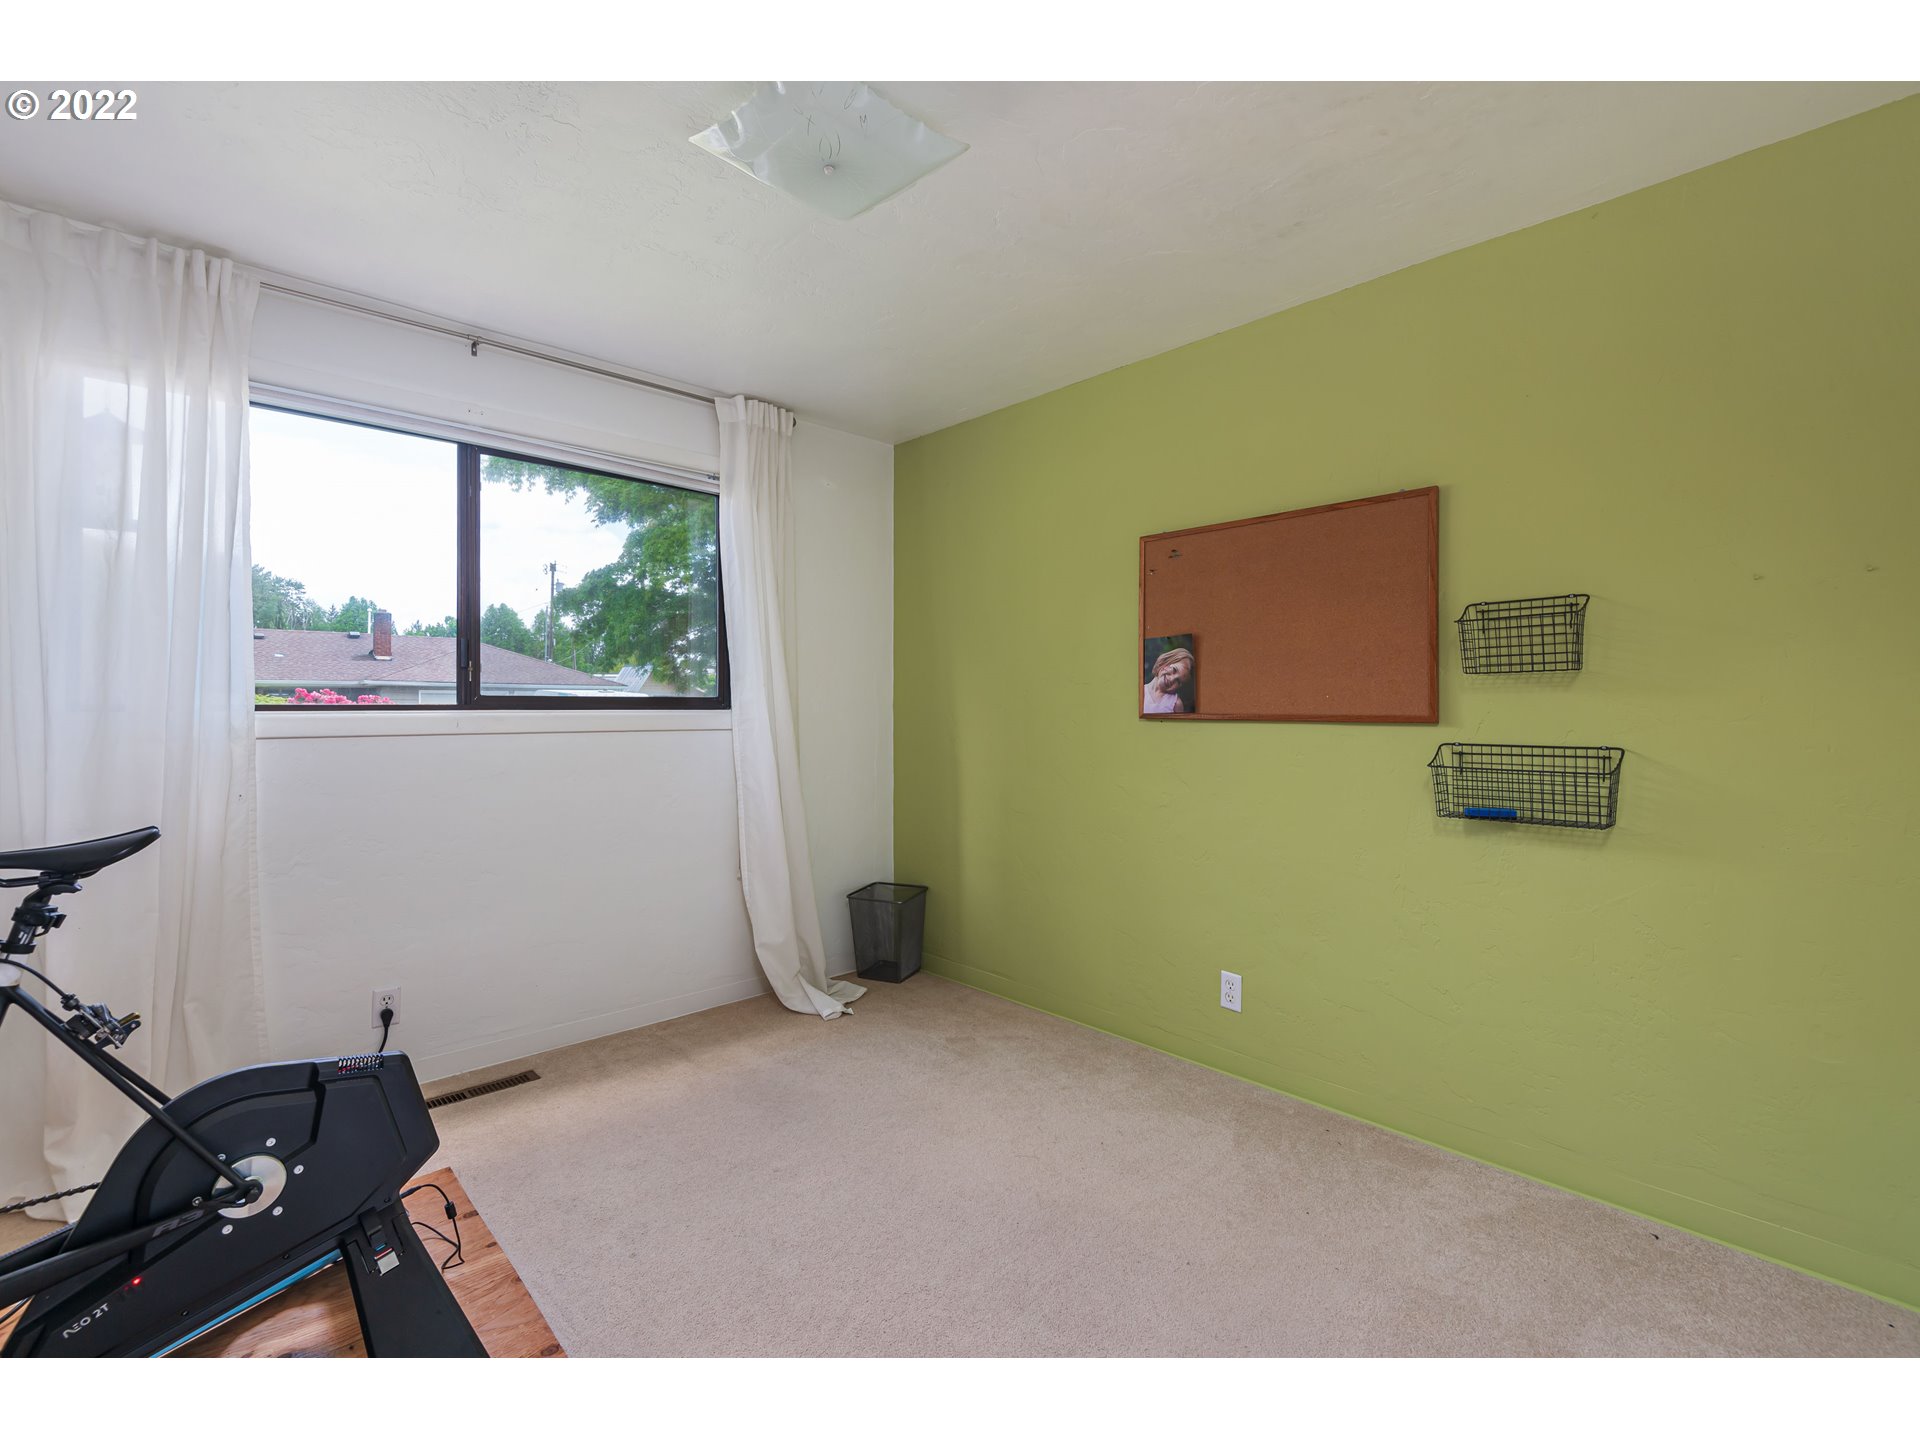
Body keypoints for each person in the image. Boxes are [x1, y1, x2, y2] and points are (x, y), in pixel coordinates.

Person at [1142, 646, 1194, 713]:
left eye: (1178, 681)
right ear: (1165, 663)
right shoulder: (1140, 691)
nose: (1172, 679)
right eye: (1174, 670)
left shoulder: (1176, 704)